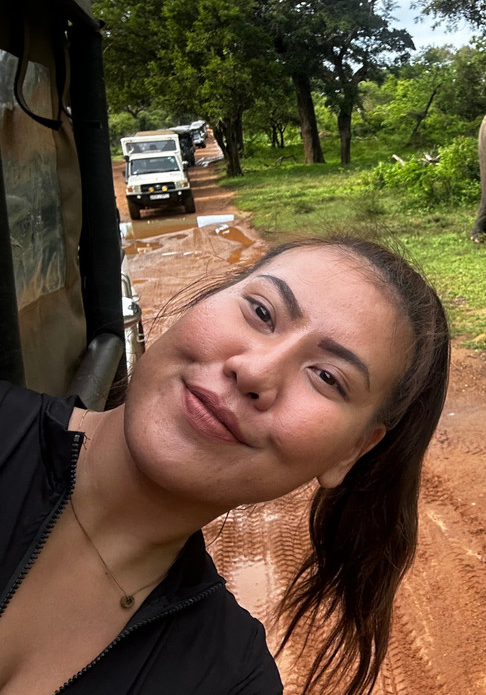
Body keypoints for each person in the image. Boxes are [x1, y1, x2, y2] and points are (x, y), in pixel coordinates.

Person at [0, 235, 451, 695]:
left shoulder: (231, 680)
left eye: (327, 378)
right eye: (261, 312)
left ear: (351, 452)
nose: (255, 372)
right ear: (204, 301)